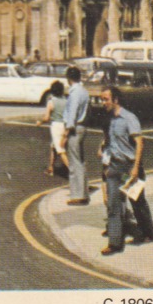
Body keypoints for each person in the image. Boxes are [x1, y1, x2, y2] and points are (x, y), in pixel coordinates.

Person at [99, 84, 153, 255]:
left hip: (129, 167)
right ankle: (115, 243)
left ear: (115, 99)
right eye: (102, 99)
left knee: (137, 203)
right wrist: (104, 153)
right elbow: (109, 139)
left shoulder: (129, 118)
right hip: (115, 166)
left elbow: (139, 143)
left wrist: (135, 169)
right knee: (113, 205)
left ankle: (148, 232)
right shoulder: (109, 119)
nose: (103, 103)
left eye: (105, 99)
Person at [61, 65, 90, 204]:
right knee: (80, 161)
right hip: (83, 127)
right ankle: (83, 192)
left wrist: (65, 134)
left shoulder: (74, 93)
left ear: (68, 79)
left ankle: (78, 196)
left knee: (74, 163)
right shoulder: (84, 91)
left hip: (75, 129)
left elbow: (72, 114)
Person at [37, 80, 69, 176]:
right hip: (65, 125)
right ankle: (50, 168)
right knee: (54, 147)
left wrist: (40, 122)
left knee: (60, 150)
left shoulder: (51, 101)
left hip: (56, 126)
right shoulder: (66, 101)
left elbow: (46, 117)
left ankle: (74, 173)